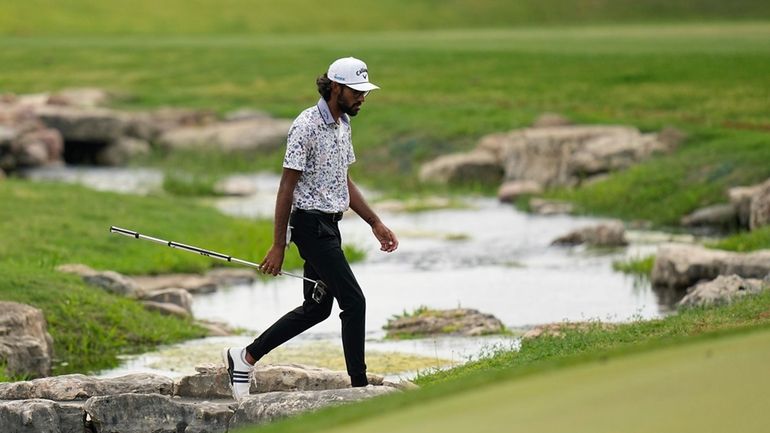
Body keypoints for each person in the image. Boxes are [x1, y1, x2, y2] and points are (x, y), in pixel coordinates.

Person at [222, 57, 399, 401]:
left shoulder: (343, 123)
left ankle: (244, 357)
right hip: (309, 226)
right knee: (354, 301)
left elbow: (342, 180)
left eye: (365, 91)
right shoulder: (305, 125)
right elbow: (286, 188)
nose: (363, 97)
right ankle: (360, 388)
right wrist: (278, 245)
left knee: (317, 309)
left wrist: (375, 222)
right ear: (335, 88)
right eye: (356, 91)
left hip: (331, 226)